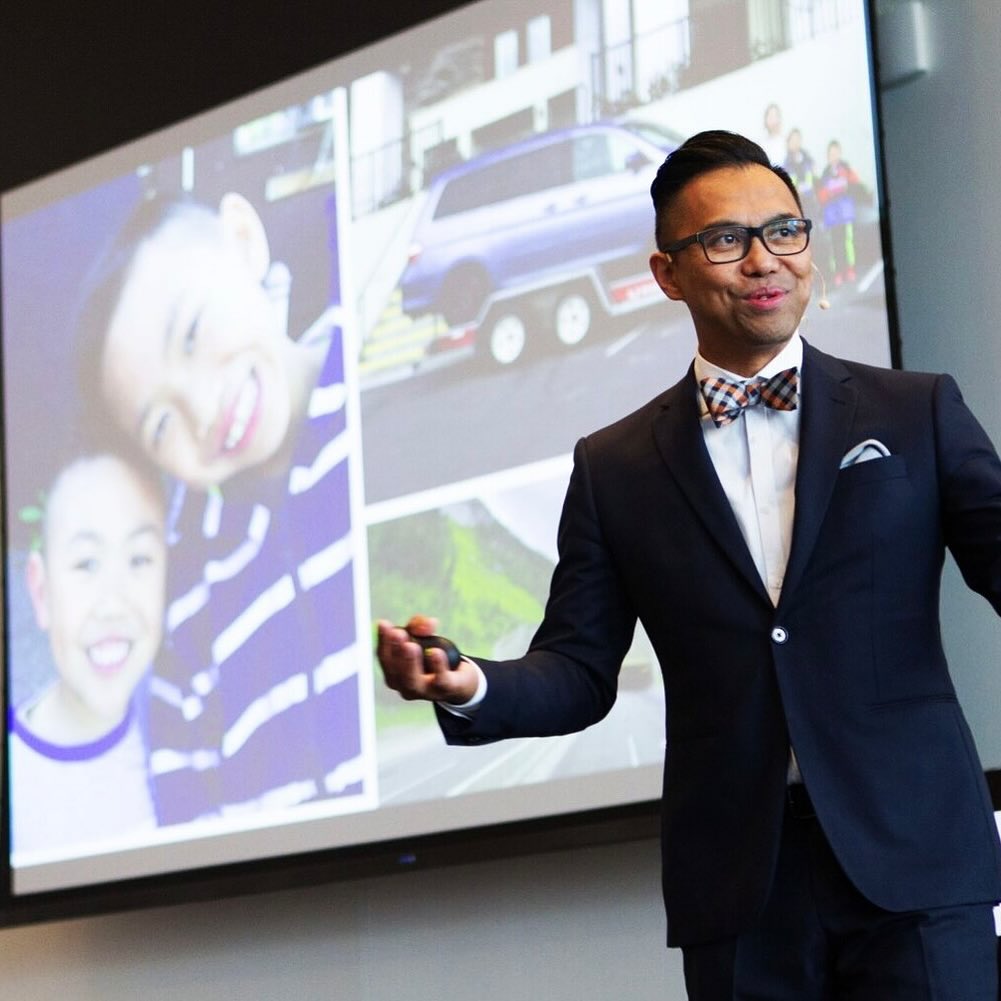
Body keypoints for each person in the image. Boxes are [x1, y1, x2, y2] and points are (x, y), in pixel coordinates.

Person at [376, 130, 1001, 999]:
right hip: (740, 888)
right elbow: (578, 669)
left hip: (917, 862)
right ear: (667, 273)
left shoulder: (914, 411)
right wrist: (465, 682)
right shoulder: (615, 465)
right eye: (724, 241)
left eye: (783, 230)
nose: (762, 261)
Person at [75, 193, 369, 824]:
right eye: (159, 425)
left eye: (191, 332)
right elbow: (188, 810)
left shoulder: (375, 381)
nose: (204, 411)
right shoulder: (183, 606)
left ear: (242, 240)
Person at [9, 453, 166, 853]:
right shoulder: (15, 773)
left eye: (139, 560)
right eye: (86, 564)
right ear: (41, 592)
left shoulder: (194, 735)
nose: (112, 604)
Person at [817, 138, 868, 286]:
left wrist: (845, 184)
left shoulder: (846, 168)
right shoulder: (825, 173)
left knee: (848, 241)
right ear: (828, 155)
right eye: (831, 153)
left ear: (839, 153)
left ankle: (850, 269)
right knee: (835, 243)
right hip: (832, 216)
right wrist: (829, 192)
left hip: (846, 213)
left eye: (836, 152)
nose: (834, 155)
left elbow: (855, 183)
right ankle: (838, 272)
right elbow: (821, 195)